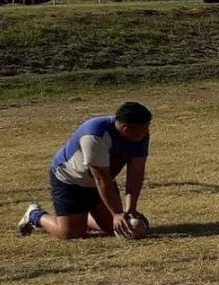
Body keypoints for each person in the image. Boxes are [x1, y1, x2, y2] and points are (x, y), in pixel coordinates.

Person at [17, 101, 152, 239]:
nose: (147, 131)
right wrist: (117, 213)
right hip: (70, 180)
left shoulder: (139, 136)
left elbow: (136, 174)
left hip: (98, 183)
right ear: (126, 130)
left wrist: (130, 210)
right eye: (145, 127)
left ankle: (79, 217)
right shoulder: (95, 135)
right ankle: (35, 215)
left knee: (113, 227)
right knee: (71, 234)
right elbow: (101, 178)